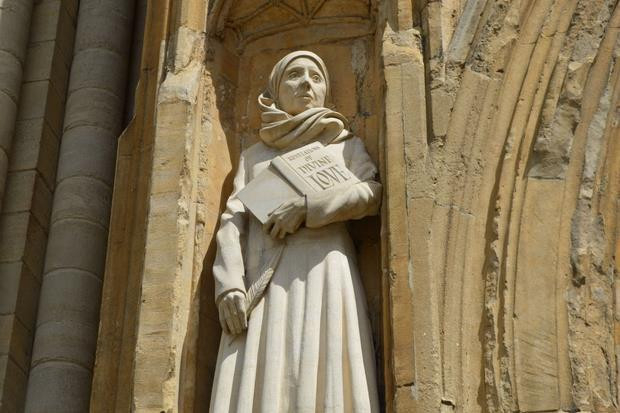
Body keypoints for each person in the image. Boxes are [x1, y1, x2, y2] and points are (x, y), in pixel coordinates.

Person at [210, 50, 381, 413]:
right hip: (267, 276)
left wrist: (308, 208)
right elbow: (233, 220)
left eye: (316, 77)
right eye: (295, 75)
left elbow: (370, 194)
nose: (306, 83)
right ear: (276, 89)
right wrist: (229, 284)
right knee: (266, 371)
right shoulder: (255, 156)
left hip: (325, 268)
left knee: (326, 367)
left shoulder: (343, 146)